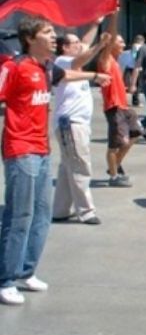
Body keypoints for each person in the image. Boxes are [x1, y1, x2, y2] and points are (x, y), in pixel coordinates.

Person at [0, 16, 110, 306]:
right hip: (19, 148)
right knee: (18, 216)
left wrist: (95, 77)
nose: (54, 37)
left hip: (42, 148)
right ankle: (6, 279)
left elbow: (68, 75)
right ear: (30, 39)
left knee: (40, 214)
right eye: (47, 33)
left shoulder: (45, 67)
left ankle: (26, 271)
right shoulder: (15, 67)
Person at [51, 20, 107, 225]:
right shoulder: (63, 62)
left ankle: (60, 210)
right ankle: (86, 211)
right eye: (74, 43)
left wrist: (95, 23)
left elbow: (84, 43)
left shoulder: (72, 60)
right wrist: (99, 46)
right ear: (65, 47)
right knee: (80, 166)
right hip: (71, 123)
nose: (79, 45)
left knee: (68, 166)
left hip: (75, 123)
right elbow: (83, 55)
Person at [97, 14, 143, 188]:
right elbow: (111, 36)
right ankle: (114, 177)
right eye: (121, 42)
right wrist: (115, 16)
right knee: (115, 144)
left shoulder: (115, 62)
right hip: (114, 107)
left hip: (124, 106)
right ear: (111, 44)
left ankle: (114, 166)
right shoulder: (105, 60)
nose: (124, 45)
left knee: (136, 134)